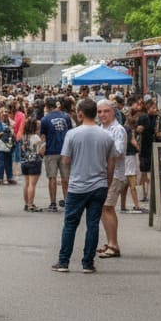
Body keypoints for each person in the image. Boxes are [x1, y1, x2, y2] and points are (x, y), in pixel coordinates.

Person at [51, 98, 120, 275]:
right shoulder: (106, 136)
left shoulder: (72, 134)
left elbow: (65, 160)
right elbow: (111, 162)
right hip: (99, 185)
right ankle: (88, 263)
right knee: (93, 224)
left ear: (80, 114)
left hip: (77, 185)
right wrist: (108, 180)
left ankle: (64, 261)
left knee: (70, 225)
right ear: (95, 113)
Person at [96, 99, 129, 259]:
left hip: (115, 174)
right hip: (103, 174)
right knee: (104, 208)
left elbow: (119, 151)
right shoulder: (102, 128)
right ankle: (110, 242)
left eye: (106, 111)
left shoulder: (118, 129)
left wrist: (100, 152)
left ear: (113, 112)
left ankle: (114, 245)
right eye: (100, 112)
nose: (102, 114)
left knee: (107, 207)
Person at [41, 98, 72, 211]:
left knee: (52, 177)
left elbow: (43, 136)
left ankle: (53, 203)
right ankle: (68, 201)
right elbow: (70, 133)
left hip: (51, 151)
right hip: (65, 150)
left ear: (47, 107)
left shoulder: (45, 119)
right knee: (65, 178)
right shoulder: (65, 116)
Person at [20, 117, 44, 211]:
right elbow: (41, 152)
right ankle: (31, 205)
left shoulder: (24, 136)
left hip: (25, 161)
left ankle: (26, 203)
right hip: (34, 161)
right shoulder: (36, 138)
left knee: (26, 184)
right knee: (32, 185)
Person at [0, 107, 15, 185]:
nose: (5, 114)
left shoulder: (10, 122)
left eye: (6, 112)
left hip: (8, 145)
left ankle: (10, 177)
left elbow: (13, 131)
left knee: (9, 162)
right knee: (1, 162)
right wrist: (2, 133)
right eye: (3, 112)